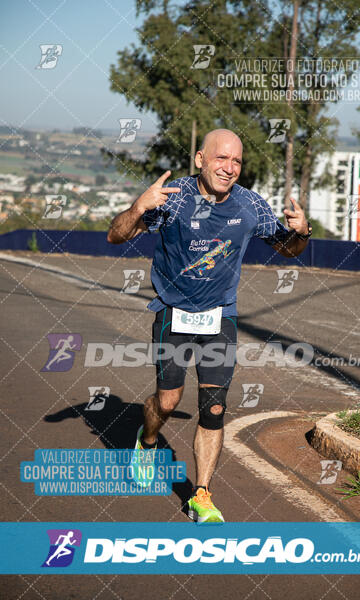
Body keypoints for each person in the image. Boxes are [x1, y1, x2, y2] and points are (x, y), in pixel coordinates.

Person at [107, 129, 311, 523]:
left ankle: (201, 494)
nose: (229, 168)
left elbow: (288, 248)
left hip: (221, 316)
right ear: (201, 159)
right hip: (173, 313)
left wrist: (301, 231)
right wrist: (138, 208)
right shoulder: (174, 199)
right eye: (221, 158)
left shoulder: (251, 205)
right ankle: (147, 441)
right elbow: (115, 236)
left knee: (214, 407)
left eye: (236, 161)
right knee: (167, 401)